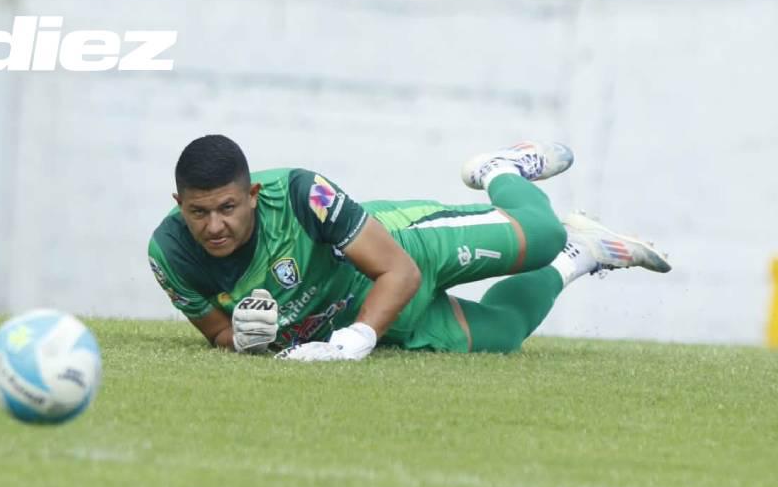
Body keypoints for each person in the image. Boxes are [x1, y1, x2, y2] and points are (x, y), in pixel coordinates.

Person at [146, 135, 670, 361]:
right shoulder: (169, 254)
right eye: (199, 212)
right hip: (375, 320)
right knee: (506, 334)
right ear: (179, 203)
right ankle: (583, 254)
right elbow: (215, 334)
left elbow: (398, 272)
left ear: (253, 195)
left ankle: (500, 170)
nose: (214, 226)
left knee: (540, 236)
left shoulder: (304, 193)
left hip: (407, 251)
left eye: (228, 208)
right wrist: (240, 340)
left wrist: (355, 340)